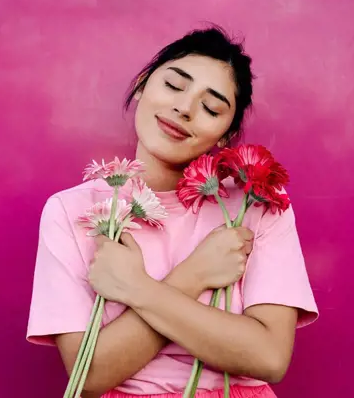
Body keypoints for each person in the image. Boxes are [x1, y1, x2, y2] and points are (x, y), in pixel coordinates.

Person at [26, 26, 318, 398]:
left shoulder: (257, 204)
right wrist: (194, 275)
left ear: (226, 136)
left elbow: (269, 357)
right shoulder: (72, 211)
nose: (184, 108)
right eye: (174, 85)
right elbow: (89, 375)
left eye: (211, 107)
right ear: (144, 83)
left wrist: (135, 287)